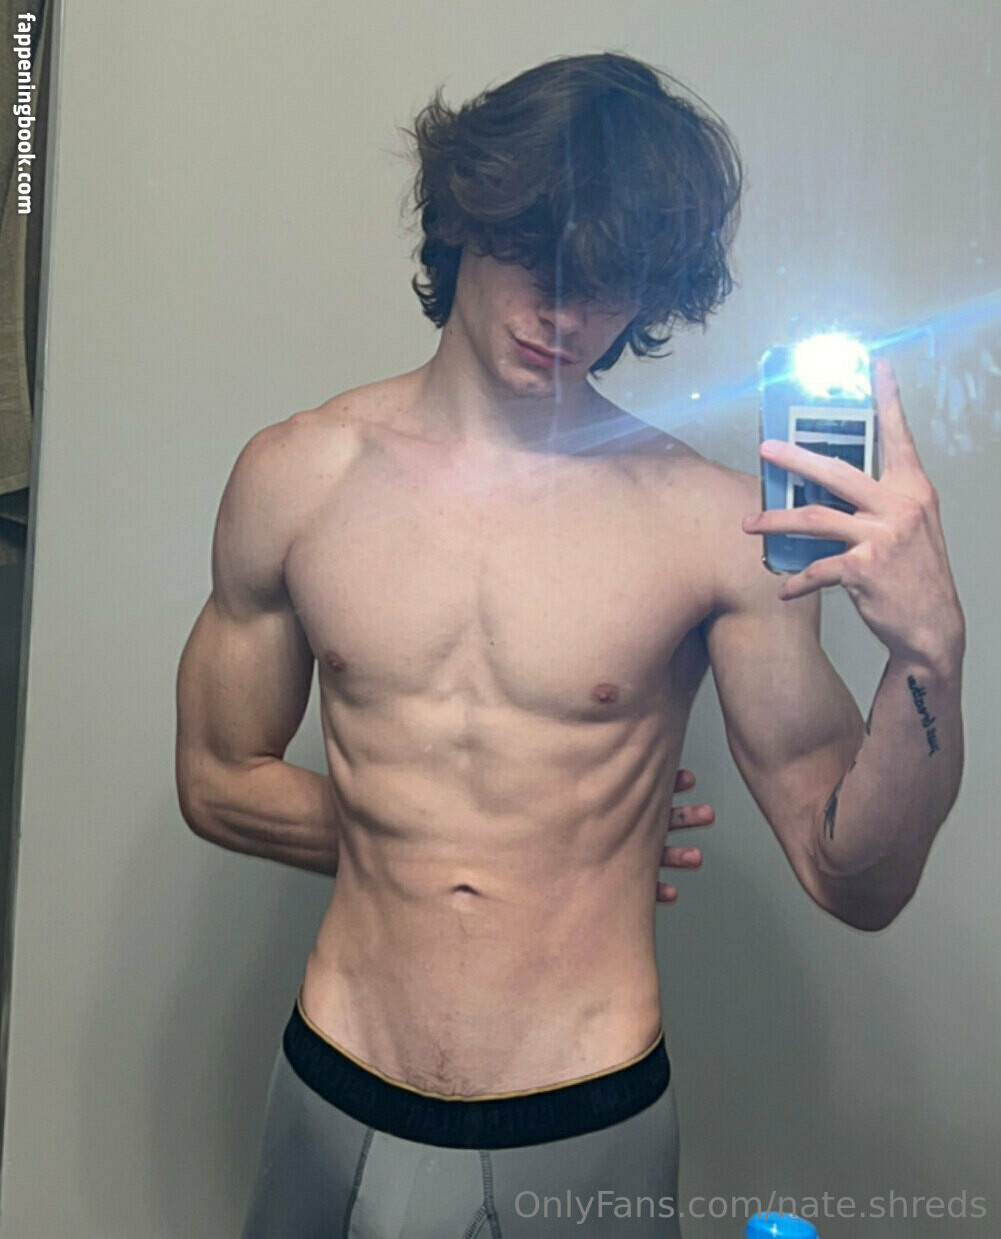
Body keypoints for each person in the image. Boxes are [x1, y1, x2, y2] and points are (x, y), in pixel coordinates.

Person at [174, 51, 966, 1238]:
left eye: (613, 284)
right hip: (330, 1081)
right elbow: (215, 779)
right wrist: (468, 843)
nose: (569, 314)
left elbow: (853, 878)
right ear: (461, 215)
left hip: (582, 1118)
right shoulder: (296, 477)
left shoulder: (707, 524)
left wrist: (926, 656)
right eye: (540, 258)